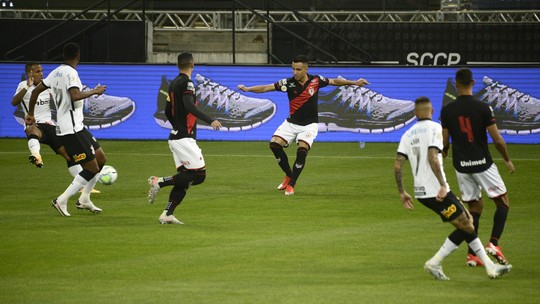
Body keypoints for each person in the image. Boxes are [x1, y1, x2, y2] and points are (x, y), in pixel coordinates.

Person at [394, 96, 512, 280]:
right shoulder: (435, 128)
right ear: (431, 112)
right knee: (467, 223)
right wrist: (442, 186)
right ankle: (434, 263)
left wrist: (402, 192)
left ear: (414, 113)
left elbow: (398, 165)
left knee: (466, 223)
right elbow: (433, 157)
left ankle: (489, 267)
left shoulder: (407, 135)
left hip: (420, 193)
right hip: (437, 192)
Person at [237, 54, 369, 195]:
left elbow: (335, 82)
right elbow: (265, 88)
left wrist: (355, 83)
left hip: (309, 124)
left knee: (302, 150)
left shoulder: (316, 80)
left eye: (298, 69)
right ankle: (289, 175)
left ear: (306, 69)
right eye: (293, 69)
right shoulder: (287, 83)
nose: (295, 72)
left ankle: (292, 184)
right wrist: (248, 89)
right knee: (274, 144)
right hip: (292, 122)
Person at [440, 68, 514, 267]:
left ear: (456, 85)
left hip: (461, 166)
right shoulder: (483, 108)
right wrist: (506, 159)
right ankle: (494, 243)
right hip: (482, 163)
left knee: (474, 207)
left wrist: (443, 155)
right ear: (473, 82)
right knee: (502, 201)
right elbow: (497, 140)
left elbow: (444, 141)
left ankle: (472, 254)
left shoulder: (447, 110)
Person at [25, 42, 107, 216]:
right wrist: (95, 91)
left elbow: (35, 92)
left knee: (101, 158)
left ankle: (84, 199)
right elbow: (75, 95)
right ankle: (61, 201)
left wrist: (30, 113)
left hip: (77, 125)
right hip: (70, 129)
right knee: (91, 168)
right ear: (78, 56)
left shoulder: (55, 72)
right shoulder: (71, 73)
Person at [147, 52, 222, 225]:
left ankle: (167, 214)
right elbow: (188, 105)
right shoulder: (188, 83)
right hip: (184, 138)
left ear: (178, 65)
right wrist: (210, 120)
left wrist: (176, 125)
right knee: (200, 175)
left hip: (176, 136)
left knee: (186, 178)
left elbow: (166, 110)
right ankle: (158, 182)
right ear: (193, 65)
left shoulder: (173, 83)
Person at [11, 62, 101, 194]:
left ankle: (81, 186)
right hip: (34, 123)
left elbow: (59, 97)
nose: (41, 74)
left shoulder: (46, 86)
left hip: (50, 125)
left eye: (42, 71)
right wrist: (27, 87)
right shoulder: (22, 86)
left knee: (69, 155)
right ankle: (36, 155)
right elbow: (14, 102)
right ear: (30, 73)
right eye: (38, 72)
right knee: (32, 130)